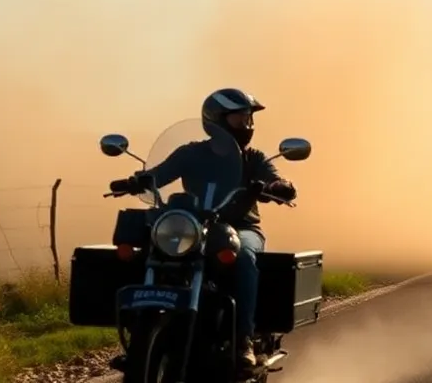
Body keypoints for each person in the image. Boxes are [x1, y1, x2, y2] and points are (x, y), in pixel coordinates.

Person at [109, 88, 297, 368]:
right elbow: (158, 175)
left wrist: (278, 188)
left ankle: (242, 339)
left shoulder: (253, 158)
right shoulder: (191, 153)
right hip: (192, 228)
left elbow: (276, 179)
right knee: (146, 249)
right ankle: (141, 335)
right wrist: (136, 181)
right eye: (240, 120)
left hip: (240, 227)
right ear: (217, 120)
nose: (247, 126)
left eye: (248, 120)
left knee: (244, 256)